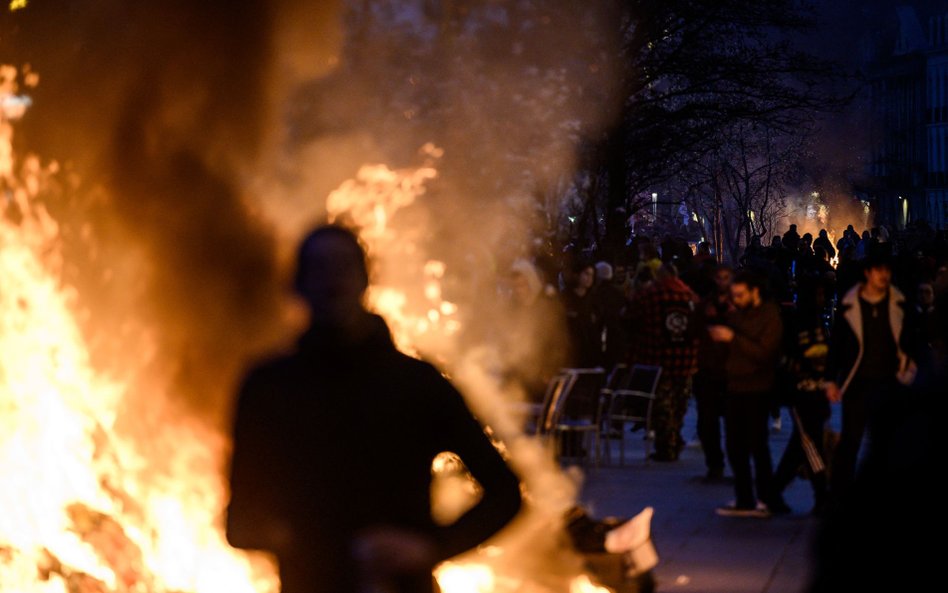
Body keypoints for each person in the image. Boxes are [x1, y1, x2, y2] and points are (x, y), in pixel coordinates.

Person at [226, 224, 522, 593]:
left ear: (366, 280)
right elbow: (239, 523)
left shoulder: (415, 383)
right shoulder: (269, 388)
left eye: (343, 267)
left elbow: (505, 492)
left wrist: (430, 547)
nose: (332, 281)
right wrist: (308, 543)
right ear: (298, 285)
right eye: (319, 269)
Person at [824, 251, 918, 505]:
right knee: (850, 442)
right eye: (879, 271)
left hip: (891, 384)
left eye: (887, 271)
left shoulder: (900, 303)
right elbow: (837, 344)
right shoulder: (850, 304)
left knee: (887, 443)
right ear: (868, 273)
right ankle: (839, 497)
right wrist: (830, 379)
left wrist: (911, 367)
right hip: (858, 382)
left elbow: (912, 340)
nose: (884, 276)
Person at [709, 270, 787, 516]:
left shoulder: (770, 315)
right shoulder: (738, 315)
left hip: (757, 388)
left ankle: (765, 498)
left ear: (755, 291)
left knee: (757, 446)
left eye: (740, 295)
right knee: (734, 445)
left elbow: (765, 354)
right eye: (734, 295)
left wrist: (733, 338)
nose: (736, 300)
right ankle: (744, 497)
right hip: (735, 386)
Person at [627, 262, 700, 461]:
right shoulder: (689, 296)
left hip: (658, 358)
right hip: (686, 359)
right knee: (679, 403)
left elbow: (632, 318)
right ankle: (675, 438)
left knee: (662, 405)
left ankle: (666, 445)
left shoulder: (650, 295)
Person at [772, 279, 831, 515]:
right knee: (810, 445)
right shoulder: (796, 323)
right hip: (801, 392)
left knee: (801, 446)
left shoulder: (817, 322)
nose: (822, 299)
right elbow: (784, 356)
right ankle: (821, 494)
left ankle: (773, 491)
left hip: (816, 392)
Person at [694, 264, 735, 481]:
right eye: (718, 277)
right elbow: (695, 330)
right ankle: (715, 464)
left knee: (733, 424)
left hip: (730, 371)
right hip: (708, 370)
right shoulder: (705, 304)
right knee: (706, 424)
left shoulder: (737, 305)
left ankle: (734, 464)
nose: (722, 282)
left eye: (725, 277)